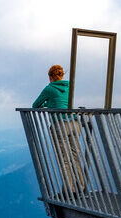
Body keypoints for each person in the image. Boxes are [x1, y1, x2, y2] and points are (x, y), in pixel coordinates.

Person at [32, 64, 86, 198]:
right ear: (62, 75)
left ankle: (70, 191)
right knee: (75, 156)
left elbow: (35, 105)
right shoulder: (69, 86)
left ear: (50, 77)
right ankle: (81, 188)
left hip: (60, 125)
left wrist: (47, 104)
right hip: (74, 123)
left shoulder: (49, 88)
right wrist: (51, 103)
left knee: (64, 159)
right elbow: (62, 102)